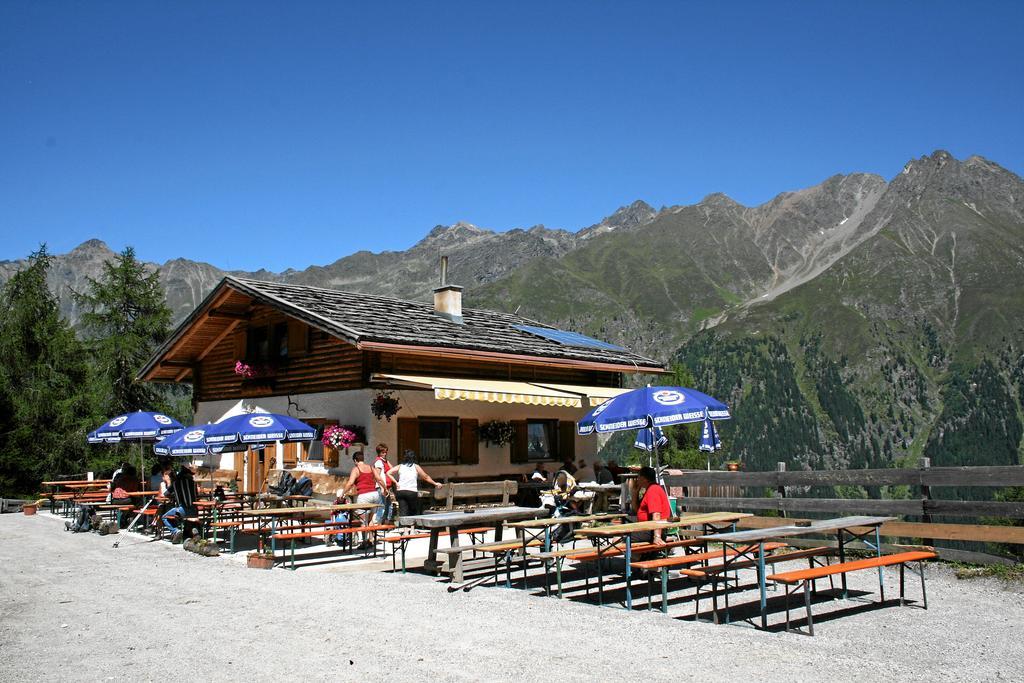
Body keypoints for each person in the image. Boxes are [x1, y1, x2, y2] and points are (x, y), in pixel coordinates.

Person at [387, 450, 443, 526]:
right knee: (413, 511)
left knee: (403, 511)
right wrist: (435, 483)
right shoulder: (416, 466)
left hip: (400, 491)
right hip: (411, 491)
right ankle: (411, 529)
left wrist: (396, 482)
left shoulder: (400, 466)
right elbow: (425, 477)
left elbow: (388, 473)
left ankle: (404, 530)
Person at [344, 451, 378, 549]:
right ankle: (371, 540)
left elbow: (350, 482)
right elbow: (379, 478)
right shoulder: (371, 467)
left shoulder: (356, 469)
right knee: (371, 519)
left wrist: (343, 493)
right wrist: (385, 489)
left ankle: (364, 542)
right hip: (375, 494)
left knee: (363, 520)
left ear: (355, 460)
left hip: (364, 496)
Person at [633, 466, 671, 545]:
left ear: (644, 479)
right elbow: (636, 509)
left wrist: (657, 536)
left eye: (638, 477)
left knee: (617, 539)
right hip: (647, 528)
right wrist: (635, 492)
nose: (637, 480)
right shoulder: (650, 489)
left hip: (651, 531)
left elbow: (656, 514)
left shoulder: (653, 490)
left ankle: (639, 556)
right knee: (622, 537)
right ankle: (641, 557)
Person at [162, 463, 198, 543]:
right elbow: (196, 495)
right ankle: (193, 531)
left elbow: (165, 494)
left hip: (182, 510)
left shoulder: (175, 483)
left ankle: (176, 531)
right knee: (185, 516)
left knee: (164, 517)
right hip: (195, 510)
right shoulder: (193, 483)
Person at [372, 443, 395, 525]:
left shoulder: (384, 461)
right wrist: (382, 487)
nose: (385, 454)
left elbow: (393, 470)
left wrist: (387, 461)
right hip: (382, 487)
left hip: (388, 486)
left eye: (385, 452)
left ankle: (386, 522)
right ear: (379, 453)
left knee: (390, 506)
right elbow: (377, 476)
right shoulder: (378, 462)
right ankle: (378, 523)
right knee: (382, 506)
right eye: (383, 452)